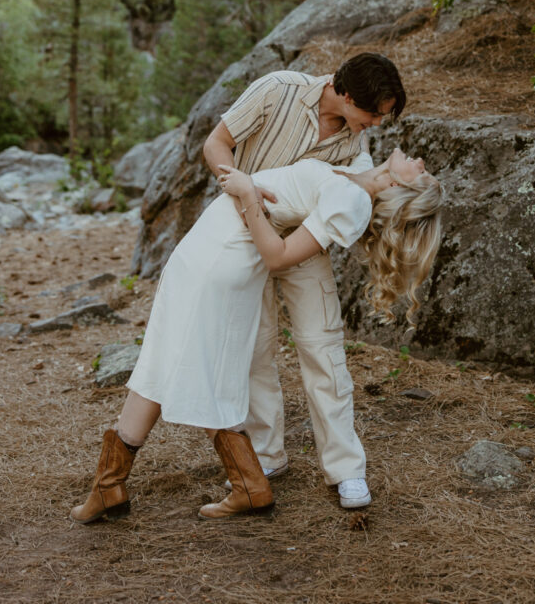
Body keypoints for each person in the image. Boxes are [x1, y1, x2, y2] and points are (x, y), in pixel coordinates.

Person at [70, 149, 442, 524]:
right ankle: (112, 486)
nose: (422, 161)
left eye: (421, 173)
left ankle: (242, 483)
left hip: (221, 258)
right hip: (210, 251)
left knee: (189, 366)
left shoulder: (354, 200)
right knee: (163, 360)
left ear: (397, 184)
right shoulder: (358, 169)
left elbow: (278, 257)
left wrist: (248, 192)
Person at [202, 54, 405, 509]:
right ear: (345, 94)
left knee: (324, 348)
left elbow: (354, 195)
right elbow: (216, 144)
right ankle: (267, 456)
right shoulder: (277, 89)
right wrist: (243, 189)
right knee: (254, 347)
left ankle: (346, 469)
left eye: (381, 116)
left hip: (304, 245)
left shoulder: (356, 147)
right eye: (371, 113)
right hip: (242, 234)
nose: (374, 124)